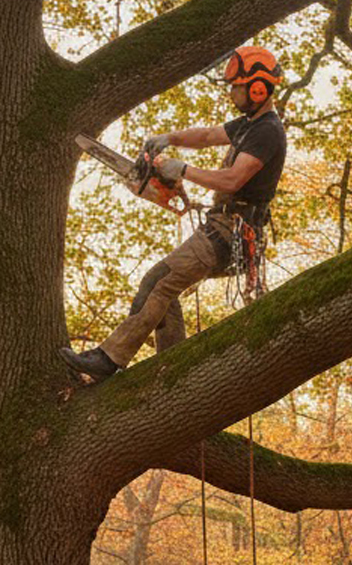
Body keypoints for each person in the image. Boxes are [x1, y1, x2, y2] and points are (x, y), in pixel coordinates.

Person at [61, 44, 288, 382]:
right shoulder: (247, 125)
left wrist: (182, 169)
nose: (232, 94)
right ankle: (173, 371)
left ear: (258, 87)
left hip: (232, 233)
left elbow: (233, 178)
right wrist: (168, 138)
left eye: (237, 87)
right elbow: (209, 135)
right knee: (164, 294)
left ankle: (109, 359)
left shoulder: (268, 131)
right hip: (220, 226)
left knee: (157, 281)